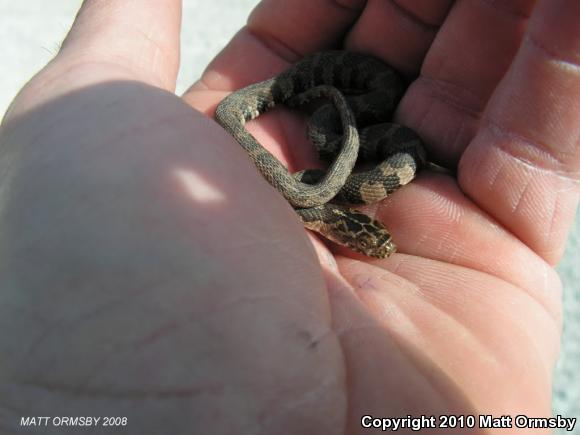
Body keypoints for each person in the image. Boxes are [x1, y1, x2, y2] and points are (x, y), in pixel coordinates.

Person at [0, 0, 578, 433]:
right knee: (296, 130)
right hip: (323, 140)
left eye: (371, 238)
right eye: (371, 238)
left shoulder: (315, 187)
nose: (377, 242)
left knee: (341, 137)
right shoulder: (310, 193)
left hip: (345, 132)